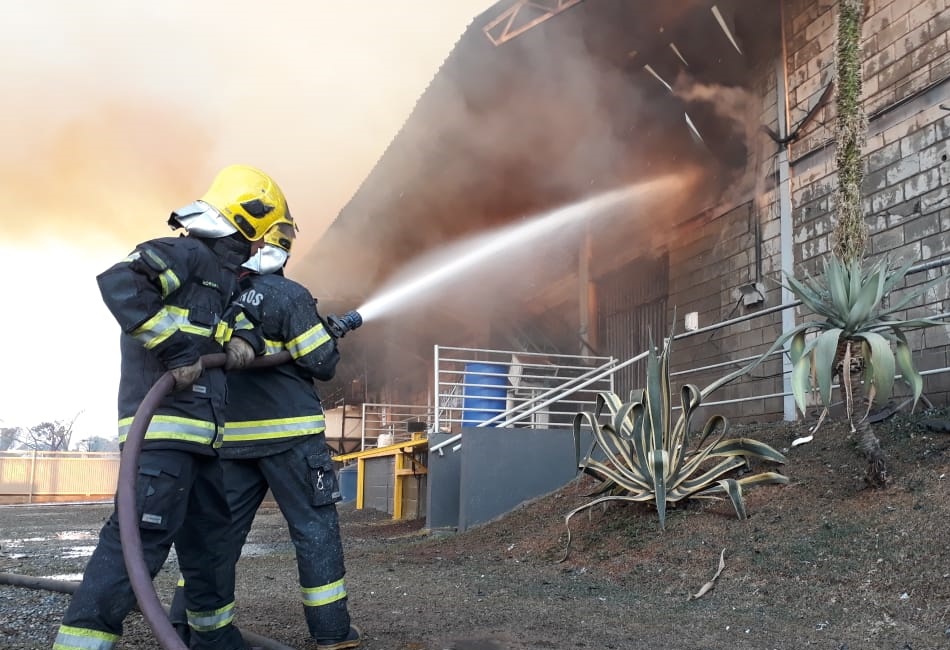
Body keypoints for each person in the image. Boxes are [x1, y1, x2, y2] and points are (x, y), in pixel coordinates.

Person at [53, 165, 294, 650]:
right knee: (136, 546)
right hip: (163, 433)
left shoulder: (224, 281)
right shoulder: (185, 253)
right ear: (247, 222)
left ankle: (212, 638)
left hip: (204, 441)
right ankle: (80, 644)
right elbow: (121, 282)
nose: (267, 249)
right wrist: (179, 353)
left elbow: (226, 326)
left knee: (212, 547)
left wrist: (245, 339)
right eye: (268, 236)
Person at [169, 219, 362, 650]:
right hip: (292, 437)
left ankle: (188, 625)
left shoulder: (215, 294)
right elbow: (321, 363)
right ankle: (332, 633)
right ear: (281, 250)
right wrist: (328, 335)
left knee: (215, 536)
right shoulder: (287, 294)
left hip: (232, 440)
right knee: (314, 530)